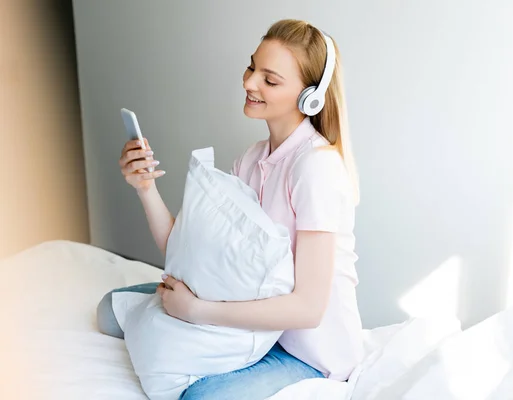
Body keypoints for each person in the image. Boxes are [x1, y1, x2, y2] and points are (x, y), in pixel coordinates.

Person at [97, 19, 363, 400]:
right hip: (248, 320)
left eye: (270, 80)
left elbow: (307, 309)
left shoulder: (315, 168)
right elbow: (186, 252)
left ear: (310, 98)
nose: (250, 82)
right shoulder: (251, 160)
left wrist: (197, 311)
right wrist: (145, 188)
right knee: (110, 310)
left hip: (306, 350)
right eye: (252, 67)